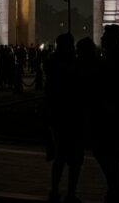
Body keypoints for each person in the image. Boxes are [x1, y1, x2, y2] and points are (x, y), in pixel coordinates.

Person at [92, 25, 119, 203]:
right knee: (109, 153)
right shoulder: (115, 56)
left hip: (108, 113)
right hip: (110, 113)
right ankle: (116, 190)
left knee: (107, 152)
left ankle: (116, 190)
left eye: (105, 35)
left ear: (114, 38)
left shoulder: (113, 58)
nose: (101, 38)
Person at [45, 33, 84, 203]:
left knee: (60, 155)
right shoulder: (75, 65)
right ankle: (70, 193)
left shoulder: (52, 64)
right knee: (74, 159)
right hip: (72, 116)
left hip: (57, 114)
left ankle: (54, 191)